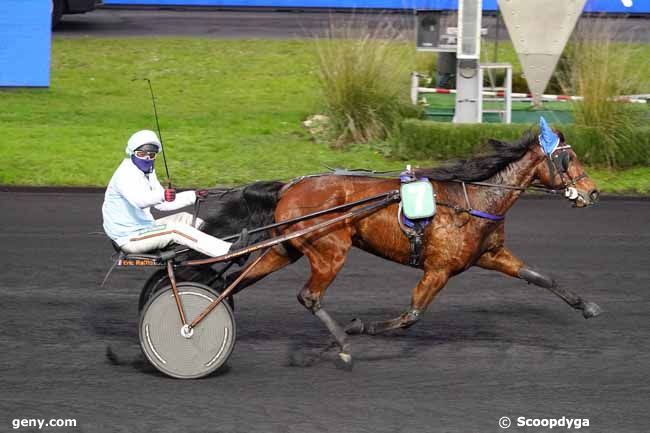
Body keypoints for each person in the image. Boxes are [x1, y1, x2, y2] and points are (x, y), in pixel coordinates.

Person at [102, 129, 234, 257]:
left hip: (145, 228)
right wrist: (162, 195)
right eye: (142, 154)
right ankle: (228, 251)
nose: (147, 158)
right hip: (129, 238)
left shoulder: (148, 172)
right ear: (132, 153)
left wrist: (192, 195)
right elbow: (139, 201)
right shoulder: (125, 174)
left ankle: (228, 239)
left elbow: (162, 204)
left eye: (151, 155)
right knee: (175, 229)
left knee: (185, 218)